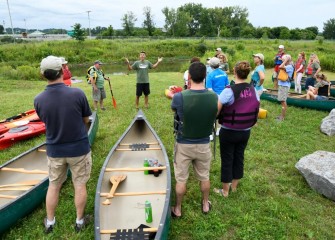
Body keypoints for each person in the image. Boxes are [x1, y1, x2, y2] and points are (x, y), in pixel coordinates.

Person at [34, 55, 92, 234]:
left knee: (54, 185)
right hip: (79, 149)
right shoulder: (78, 93)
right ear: (62, 71)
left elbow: (46, 121)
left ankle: (50, 222)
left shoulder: (38, 99)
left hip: (55, 150)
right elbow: (85, 120)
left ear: (43, 74)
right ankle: (79, 221)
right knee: (79, 184)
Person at [171, 62, 218, 217]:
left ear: (189, 76)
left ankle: (178, 208)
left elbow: (174, 109)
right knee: (204, 176)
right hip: (204, 143)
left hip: (184, 144)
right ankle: (205, 204)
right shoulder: (214, 97)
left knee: (181, 179)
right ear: (205, 76)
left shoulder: (179, 97)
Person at [215, 61, 260, 197]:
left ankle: (225, 191)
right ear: (247, 74)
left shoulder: (229, 91)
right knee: (239, 157)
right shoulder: (254, 90)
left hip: (228, 131)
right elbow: (256, 107)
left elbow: (216, 111)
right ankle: (234, 187)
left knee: (227, 158)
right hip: (245, 131)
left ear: (234, 72)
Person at [206, 57, 230, 137]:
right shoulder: (224, 73)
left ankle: (211, 134)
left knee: (212, 114)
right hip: (224, 97)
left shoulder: (210, 75)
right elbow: (228, 86)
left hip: (214, 97)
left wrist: (217, 97)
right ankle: (219, 131)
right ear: (219, 64)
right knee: (222, 113)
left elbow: (209, 89)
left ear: (211, 65)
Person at [277, 54, 294, 121]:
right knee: (282, 100)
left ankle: (282, 117)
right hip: (283, 85)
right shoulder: (287, 65)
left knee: (283, 101)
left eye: (283, 60)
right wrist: (284, 60)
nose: (282, 61)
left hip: (284, 86)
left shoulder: (289, 66)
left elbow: (280, 67)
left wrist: (286, 59)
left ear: (287, 60)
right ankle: (281, 115)